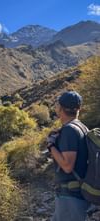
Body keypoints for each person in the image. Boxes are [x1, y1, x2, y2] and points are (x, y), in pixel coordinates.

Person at [47, 91, 90, 221]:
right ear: (79, 108)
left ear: (60, 108)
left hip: (71, 197)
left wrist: (51, 146)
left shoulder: (69, 130)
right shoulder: (82, 127)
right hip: (76, 193)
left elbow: (67, 166)